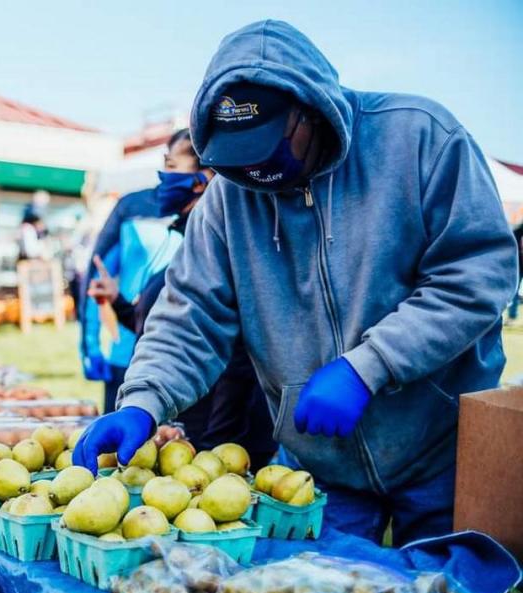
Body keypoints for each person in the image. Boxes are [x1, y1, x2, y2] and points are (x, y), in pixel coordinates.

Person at [74, 20, 518, 547]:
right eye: (239, 155)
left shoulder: (420, 139)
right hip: (316, 465)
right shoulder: (228, 200)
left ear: (311, 109)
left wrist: (368, 366)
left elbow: (477, 275)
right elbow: (190, 316)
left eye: (267, 146)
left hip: (437, 446)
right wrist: (142, 401)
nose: (256, 171)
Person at [87, 129, 276, 468]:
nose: (163, 178)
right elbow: (170, 325)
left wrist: (215, 444)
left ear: (204, 179)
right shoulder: (187, 241)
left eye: (172, 165)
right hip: (178, 425)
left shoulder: (227, 248)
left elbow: (236, 356)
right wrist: (118, 302)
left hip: (208, 437)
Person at [78, 144, 169, 413]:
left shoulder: (218, 212)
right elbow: (98, 276)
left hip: (190, 361)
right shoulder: (133, 206)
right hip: (127, 350)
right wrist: (90, 344)